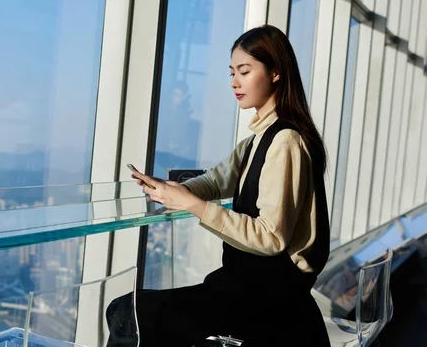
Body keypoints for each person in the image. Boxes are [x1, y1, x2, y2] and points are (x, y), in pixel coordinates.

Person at [106, 25, 331, 346]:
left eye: (245, 71)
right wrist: (169, 189)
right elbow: (215, 181)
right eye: (231, 73)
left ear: (276, 73)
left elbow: (271, 238)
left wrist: (190, 204)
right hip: (248, 286)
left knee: (130, 313)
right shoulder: (256, 142)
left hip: (267, 295)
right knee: (127, 311)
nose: (235, 82)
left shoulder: (286, 141)